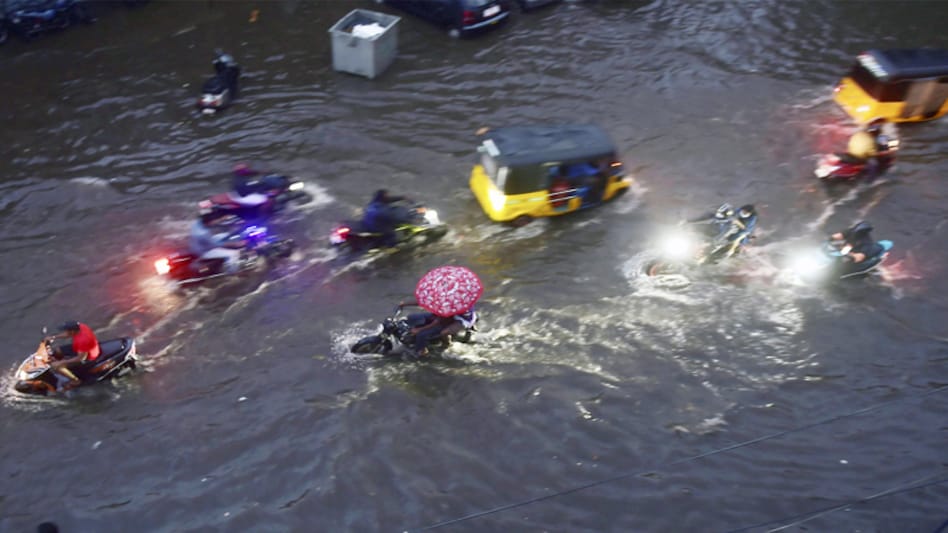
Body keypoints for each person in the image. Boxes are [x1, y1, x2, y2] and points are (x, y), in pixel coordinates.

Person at [398, 300, 478, 356]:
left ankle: (445, 344)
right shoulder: (444, 298)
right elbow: (424, 302)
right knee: (413, 317)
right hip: (448, 315)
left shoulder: (453, 304)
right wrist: (405, 304)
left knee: (424, 335)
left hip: (460, 319)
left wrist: (419, 330)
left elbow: (437, 321)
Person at [188, 209, 249, 274]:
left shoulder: (199, 223)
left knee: (225, 234)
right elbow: (216, 244)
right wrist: (234, 244)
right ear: (209, 222)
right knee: (234, 253)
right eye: (215, 221)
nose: (216, 222)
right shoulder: (202, 233)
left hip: (200, 244)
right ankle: (232, 272)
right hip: (204, 251)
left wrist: (225, 221)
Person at [44, 321, 100, 390]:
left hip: (88, 357)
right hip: (79, 348)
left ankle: (75, 380)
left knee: (56, 366)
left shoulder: (83, 340)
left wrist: (62, 362)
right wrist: (54, 337)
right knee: (58, 350)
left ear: (72, 331)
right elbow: (68, 334)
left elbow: (81, 358)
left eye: (67, 330)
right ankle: (64, 367)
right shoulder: (81, 326)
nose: (65, 331)